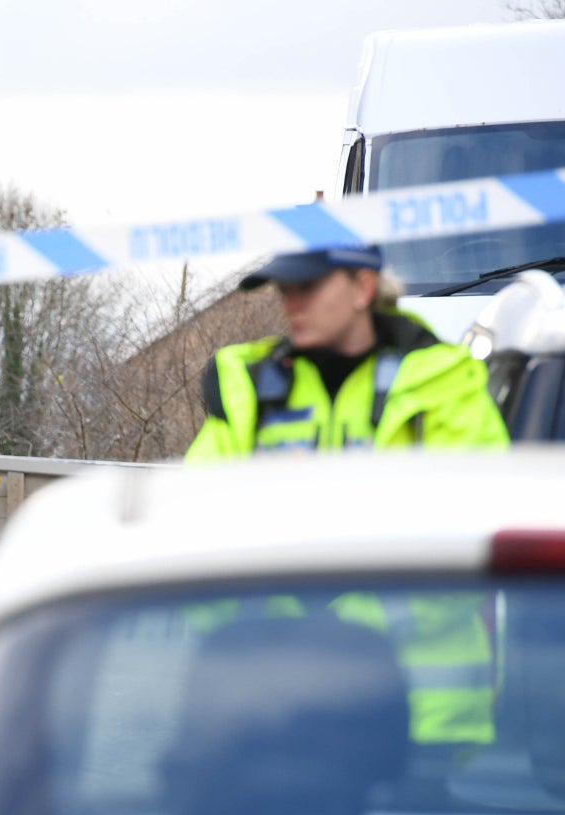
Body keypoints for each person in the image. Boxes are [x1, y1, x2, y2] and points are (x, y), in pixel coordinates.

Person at [187, 244, 509, 747]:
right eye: (285, 289)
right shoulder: (250, 392)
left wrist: (329, 633)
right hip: (276, 714)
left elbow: (473, 545)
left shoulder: (446, 387)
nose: (291, 303)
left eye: (308, 287)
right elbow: (190, 538)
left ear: (362, 288)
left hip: (425, 723)